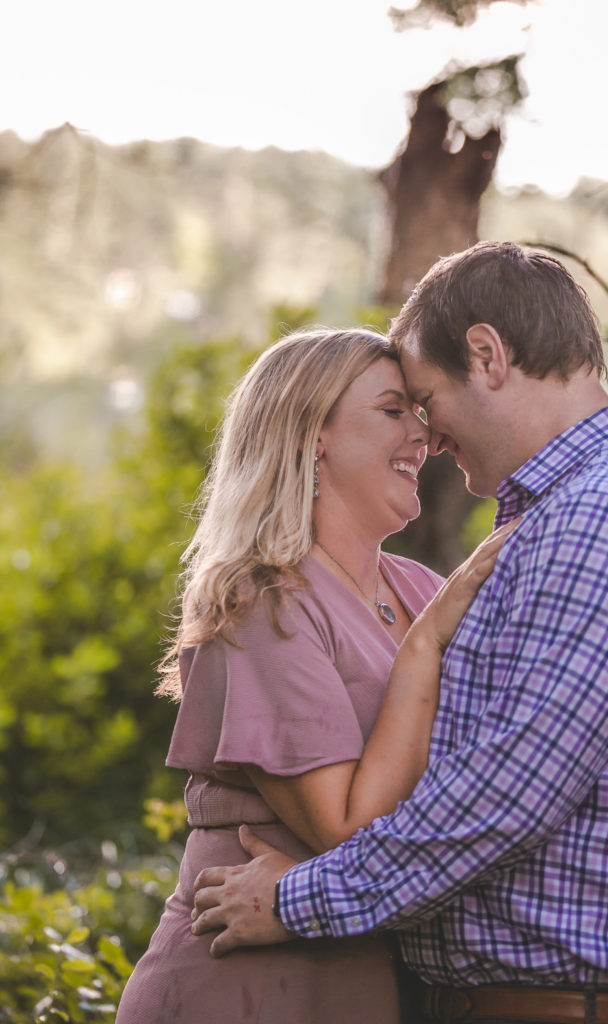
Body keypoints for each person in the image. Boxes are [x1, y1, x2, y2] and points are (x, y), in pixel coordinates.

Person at [191, 243, 608, 1023]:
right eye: (398, 410)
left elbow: (510, 790)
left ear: (485, 355)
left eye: (424, 398)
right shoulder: (552, 524)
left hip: (555, 1006)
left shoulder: (601, 519)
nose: (428, 432)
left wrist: (302, 899)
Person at [115, 326, 515, 1024]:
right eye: (393, 411)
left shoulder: (420, 589)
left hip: (375, 980)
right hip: (246, 988)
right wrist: (423, 649)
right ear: (311, 437)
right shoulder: (260, 600)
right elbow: (345, 827)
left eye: (418, 414)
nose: (422, 436)